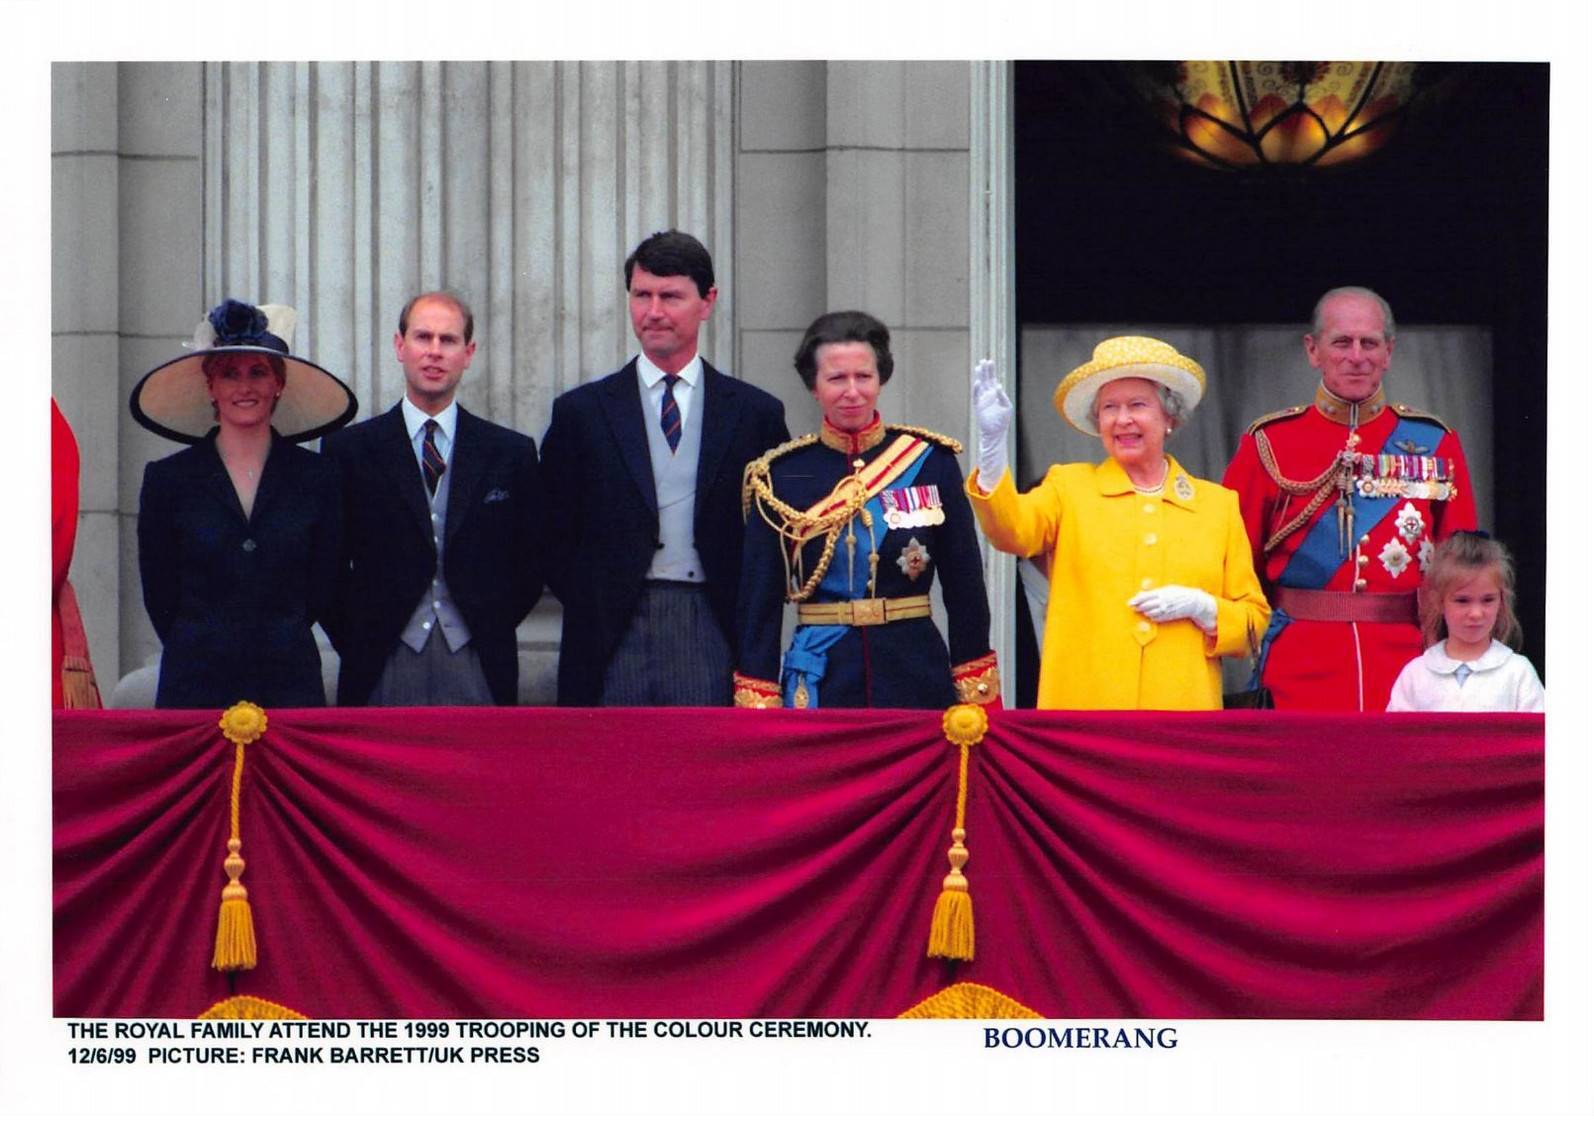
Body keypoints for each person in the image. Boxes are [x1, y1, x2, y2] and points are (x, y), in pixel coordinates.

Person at [540, 230, 789, 706]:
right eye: (641, 295)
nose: (653, 312)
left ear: (707, 301)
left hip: (712, 621)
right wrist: (595, 596)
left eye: (670, 296)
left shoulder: (755, 414)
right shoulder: (582, 412)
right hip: (610, 630)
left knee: (705, 770)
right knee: (615, 768)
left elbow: (771, 539)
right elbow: (549, 529)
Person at [967, 336, 1268, 710]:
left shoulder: (1216, 506)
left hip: (1181, 721)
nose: (1122, 419)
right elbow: (1011, 531)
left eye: (1137, 405)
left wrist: (1205, 609)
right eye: (1110, 407)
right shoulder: (1068, 488)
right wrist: (992, 451)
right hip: (1085, 718)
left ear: (1169, 416)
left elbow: (1254, 624)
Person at [1221, 286, 1477, 711]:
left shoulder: (1435, 441)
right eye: (1341, 342)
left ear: (1388, 351)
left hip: (1409, 663)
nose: (1356, 356)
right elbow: (1234, 562)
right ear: (1313, 350)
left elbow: (1463, 563)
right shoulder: (1269, 442)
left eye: (1369, 343)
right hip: (1297, 663)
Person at [735, 310, 998, 709]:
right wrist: (760, 696)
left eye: (864, 377)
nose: (852, 391)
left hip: (913, 672)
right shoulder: (780, 476)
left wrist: (974, 688)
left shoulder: (929, 462)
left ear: (882, 379)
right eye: (837, 379)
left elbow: (965, 585)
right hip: (822, 676)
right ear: (814, 387)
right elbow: (759, 602)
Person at [321, 291, 544, 706]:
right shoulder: (349, 451)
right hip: (380, 661)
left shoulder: (509, 452)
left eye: (449, 340)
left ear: (469, 352)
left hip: (477, 661)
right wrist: (361, 637)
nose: (435, 352)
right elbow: (327, 566)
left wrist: (485, 624)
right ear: (400, 346)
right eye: (423, 337)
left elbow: (531, 562)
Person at [130, 300, 355, 708]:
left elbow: (325, 586)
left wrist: (275, 634)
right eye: (229, 374)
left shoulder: (318, 478)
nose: (244, 387)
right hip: (194, 687)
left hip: (289, 685)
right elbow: (160, 592)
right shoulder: (168, 480)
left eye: (258, 372)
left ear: (279, 383)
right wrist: (206, 641)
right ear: (210, 386)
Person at [1387, 531, 1544, 712]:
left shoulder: (1518, 673)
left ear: (1502, 600)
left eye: (1487, 600)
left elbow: (1537, 736)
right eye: (1462, 601)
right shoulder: (1416, 675)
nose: (1476, 614)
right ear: (1439, 601)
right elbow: (1396, 738)